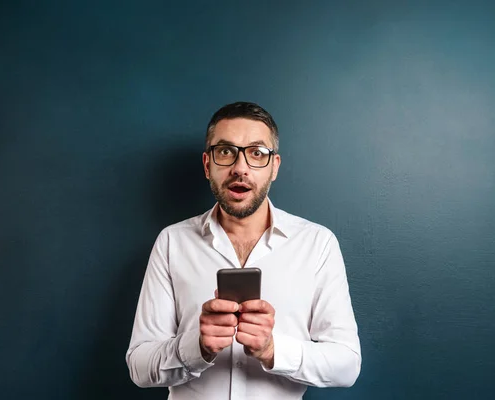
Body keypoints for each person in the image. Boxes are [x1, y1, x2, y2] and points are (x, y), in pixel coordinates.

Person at [126, 102, 361, 399]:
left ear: (274, 167)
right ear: (207, 164)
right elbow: (139, 366)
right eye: (226, 152)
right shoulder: (172, 242)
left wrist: (274, 350)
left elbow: (346, 366)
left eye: (257, 153)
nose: (240, 168)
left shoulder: (317, 244)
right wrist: (196, 347)